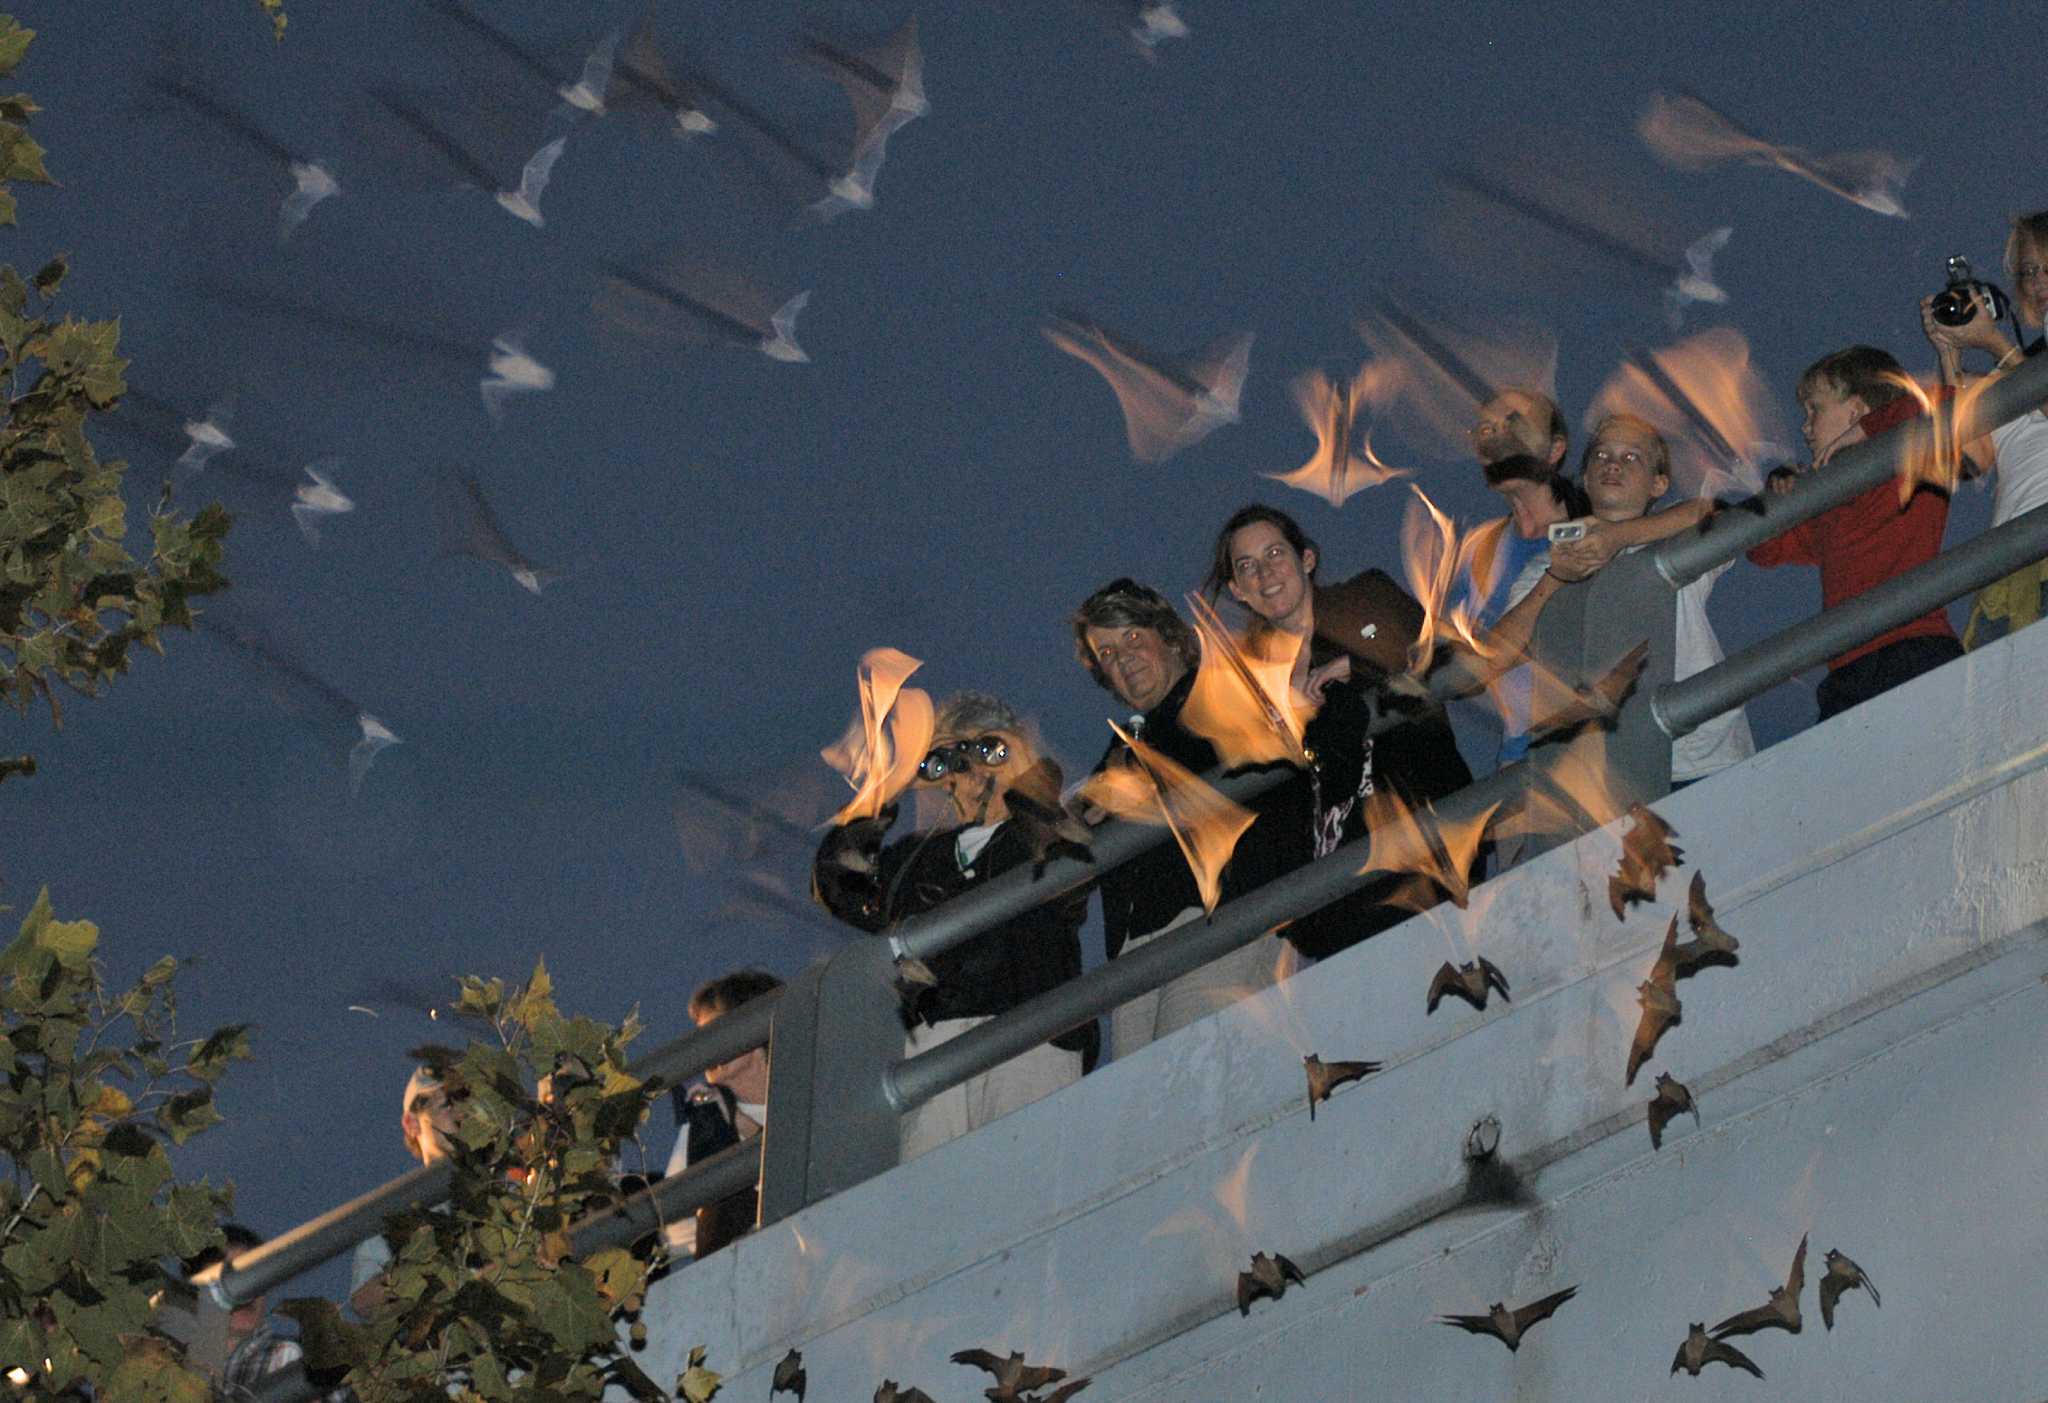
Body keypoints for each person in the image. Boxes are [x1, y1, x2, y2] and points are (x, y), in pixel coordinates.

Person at [812, 691, 1093, 1158]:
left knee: (1027, 1176)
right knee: (933, 1186)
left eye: (986, 750)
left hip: (1029, 1029)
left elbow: (1075, 867)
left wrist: (1027, 770)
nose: (972, 771)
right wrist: (883, 790)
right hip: (934, 1037)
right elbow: (842, 887)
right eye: (950, 759)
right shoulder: (918, 858)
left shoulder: (1040, 832)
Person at [1201, 505, 1474, 961]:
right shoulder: (1248, 680)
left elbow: (1442, 659)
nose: (1266, 573)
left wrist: (1355, 665)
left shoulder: (1364, 598)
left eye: (1274, 554)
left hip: (1418, 851)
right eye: (1247, 566)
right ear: (1237, 590)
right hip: (1331, 894)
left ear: (1307, 559)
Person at [1070, 579, 1308, 1055]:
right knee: (1144, 1102)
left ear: (1169, 636)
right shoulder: (1123, 745)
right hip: (1137, 949)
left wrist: (1140, 794)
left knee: (1193, 1084)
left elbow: (1269, 773)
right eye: (1108, 654)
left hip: (1222, 918)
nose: (1123, 659)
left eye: (1133, 638)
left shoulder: (1221, 689)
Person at [1748, 346, 1961, 721]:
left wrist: (1863, 432)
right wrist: (1777, 495)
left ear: (1858, 409)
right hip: (1846, 668)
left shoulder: (1913, 463)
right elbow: (1763, 550)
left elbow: (1931, 410)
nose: (1805, 426)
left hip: (1916, 647)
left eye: (1815, 409)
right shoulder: (1829, 500)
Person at [1549, 415, 1755, 786]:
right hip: (1609, 776)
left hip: (1705, 756)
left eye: (1632, 458)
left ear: (1659, 483)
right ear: (1583, 476)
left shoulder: (1676, 540)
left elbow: (1715, 513)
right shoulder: (1544, 568)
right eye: (1601, 455)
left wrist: (1619, 537)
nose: (1612, 465)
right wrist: (1556, 578)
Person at [1920, 209, 2048, 649]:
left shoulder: (2013, 364)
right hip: (2012, 565)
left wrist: (1996, 343)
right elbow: (1964, 463)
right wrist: (1950, 355)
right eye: (2030, 270)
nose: (2039, 282)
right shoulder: (2008, 373)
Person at [1459, 389, 1572, 769]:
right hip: (1519, 764)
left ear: (1556, 449)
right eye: (1486, 430)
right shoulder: (1477, 549)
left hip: (1595, 749)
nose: (1496, 437)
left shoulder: (1595, 525)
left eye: (1515, 423)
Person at [659, 968, 782, 1258]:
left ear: (754, 1028)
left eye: (716, 1034)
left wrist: (753, 1135)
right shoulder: (704, 1125)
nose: (705, 1050)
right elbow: (676, 1230)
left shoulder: (813, 1097)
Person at [349, 1064, 466, 1316]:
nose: (461, 1114)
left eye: (467, 1100)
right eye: (446, 1104)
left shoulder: (515, 1186)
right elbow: (364, 1301)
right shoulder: (396, 1210)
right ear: (412, 1123)